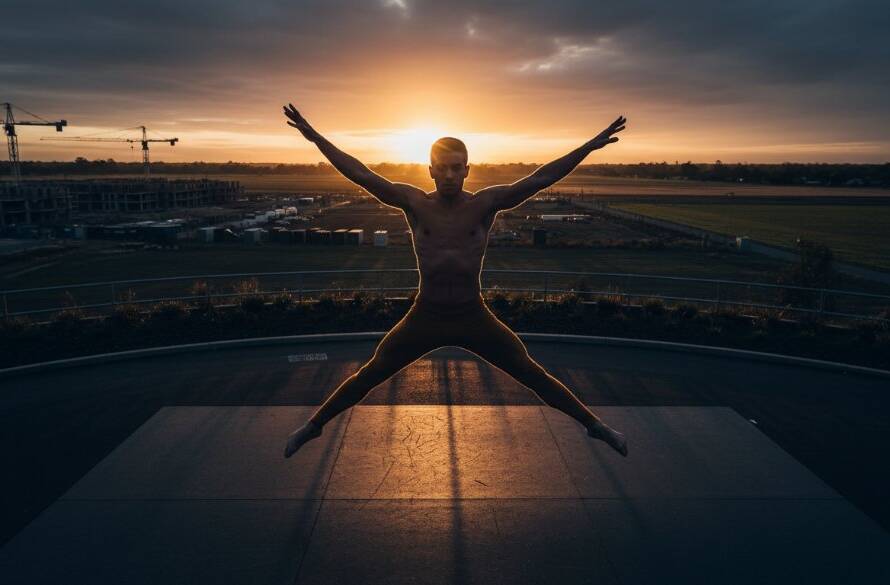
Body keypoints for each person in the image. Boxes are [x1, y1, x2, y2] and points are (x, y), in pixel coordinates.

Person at [282, 103, 628, 458]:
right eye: (442, 168)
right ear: (430, 170)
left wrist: (587, 147)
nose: (449, 175)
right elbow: (361, 174)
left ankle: (595, 426)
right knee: (370, 374)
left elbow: (540, 178)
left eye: (456, 168)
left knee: (530, 373)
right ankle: (312, 427)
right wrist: (315, 138)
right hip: (425, 316)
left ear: (467, 169)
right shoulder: (414, 202)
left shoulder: (485, 203)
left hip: (472, 315)